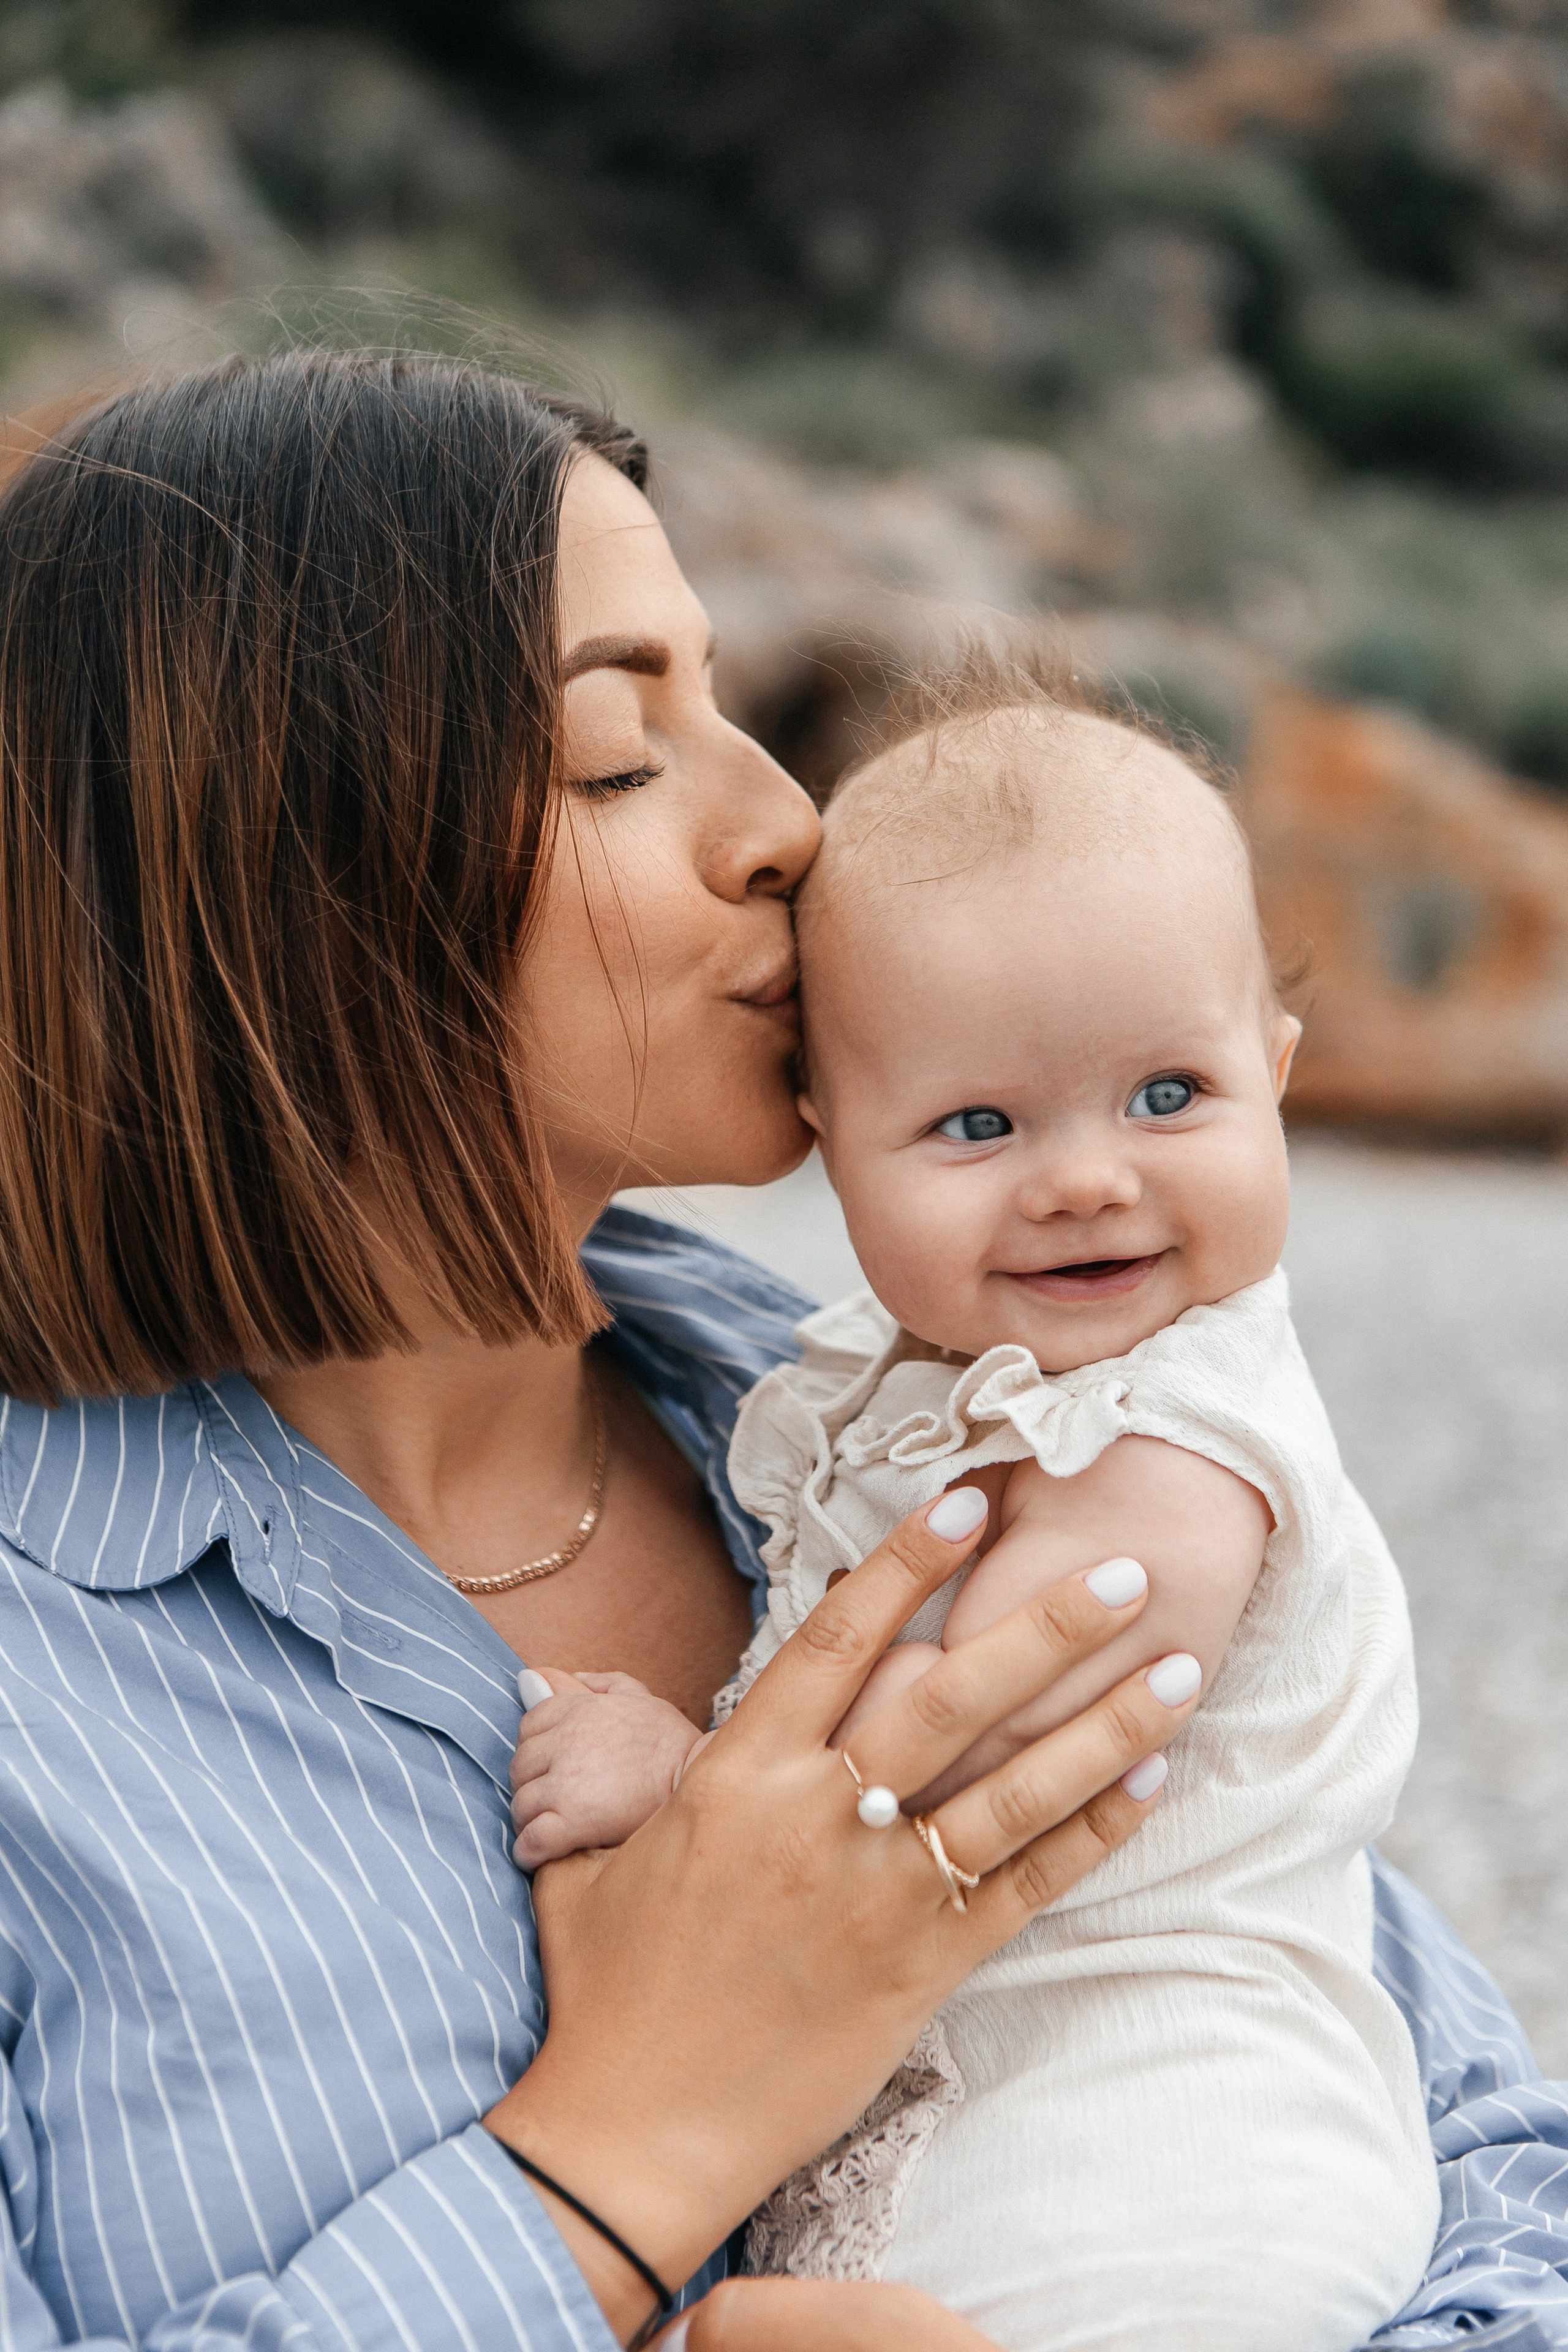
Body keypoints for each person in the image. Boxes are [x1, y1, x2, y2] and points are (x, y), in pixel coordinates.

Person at [0, 349, 1561, 2352]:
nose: (788, 828)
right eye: (620, 759)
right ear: (269, 878)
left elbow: (1476, 2140)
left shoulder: (904, 1410)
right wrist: (612, 2160)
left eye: (729, 708)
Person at [509, 675, 1439, 2349]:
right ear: (829, 1143)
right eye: (977, 1125)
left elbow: (988, 1731)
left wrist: (683, 1789)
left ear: (1278, 1074)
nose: (1085, 1177)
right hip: (1017, 2122)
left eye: (1170, 1096)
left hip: (1170, 2162)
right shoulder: (944, 1381)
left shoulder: (1176, 1437)